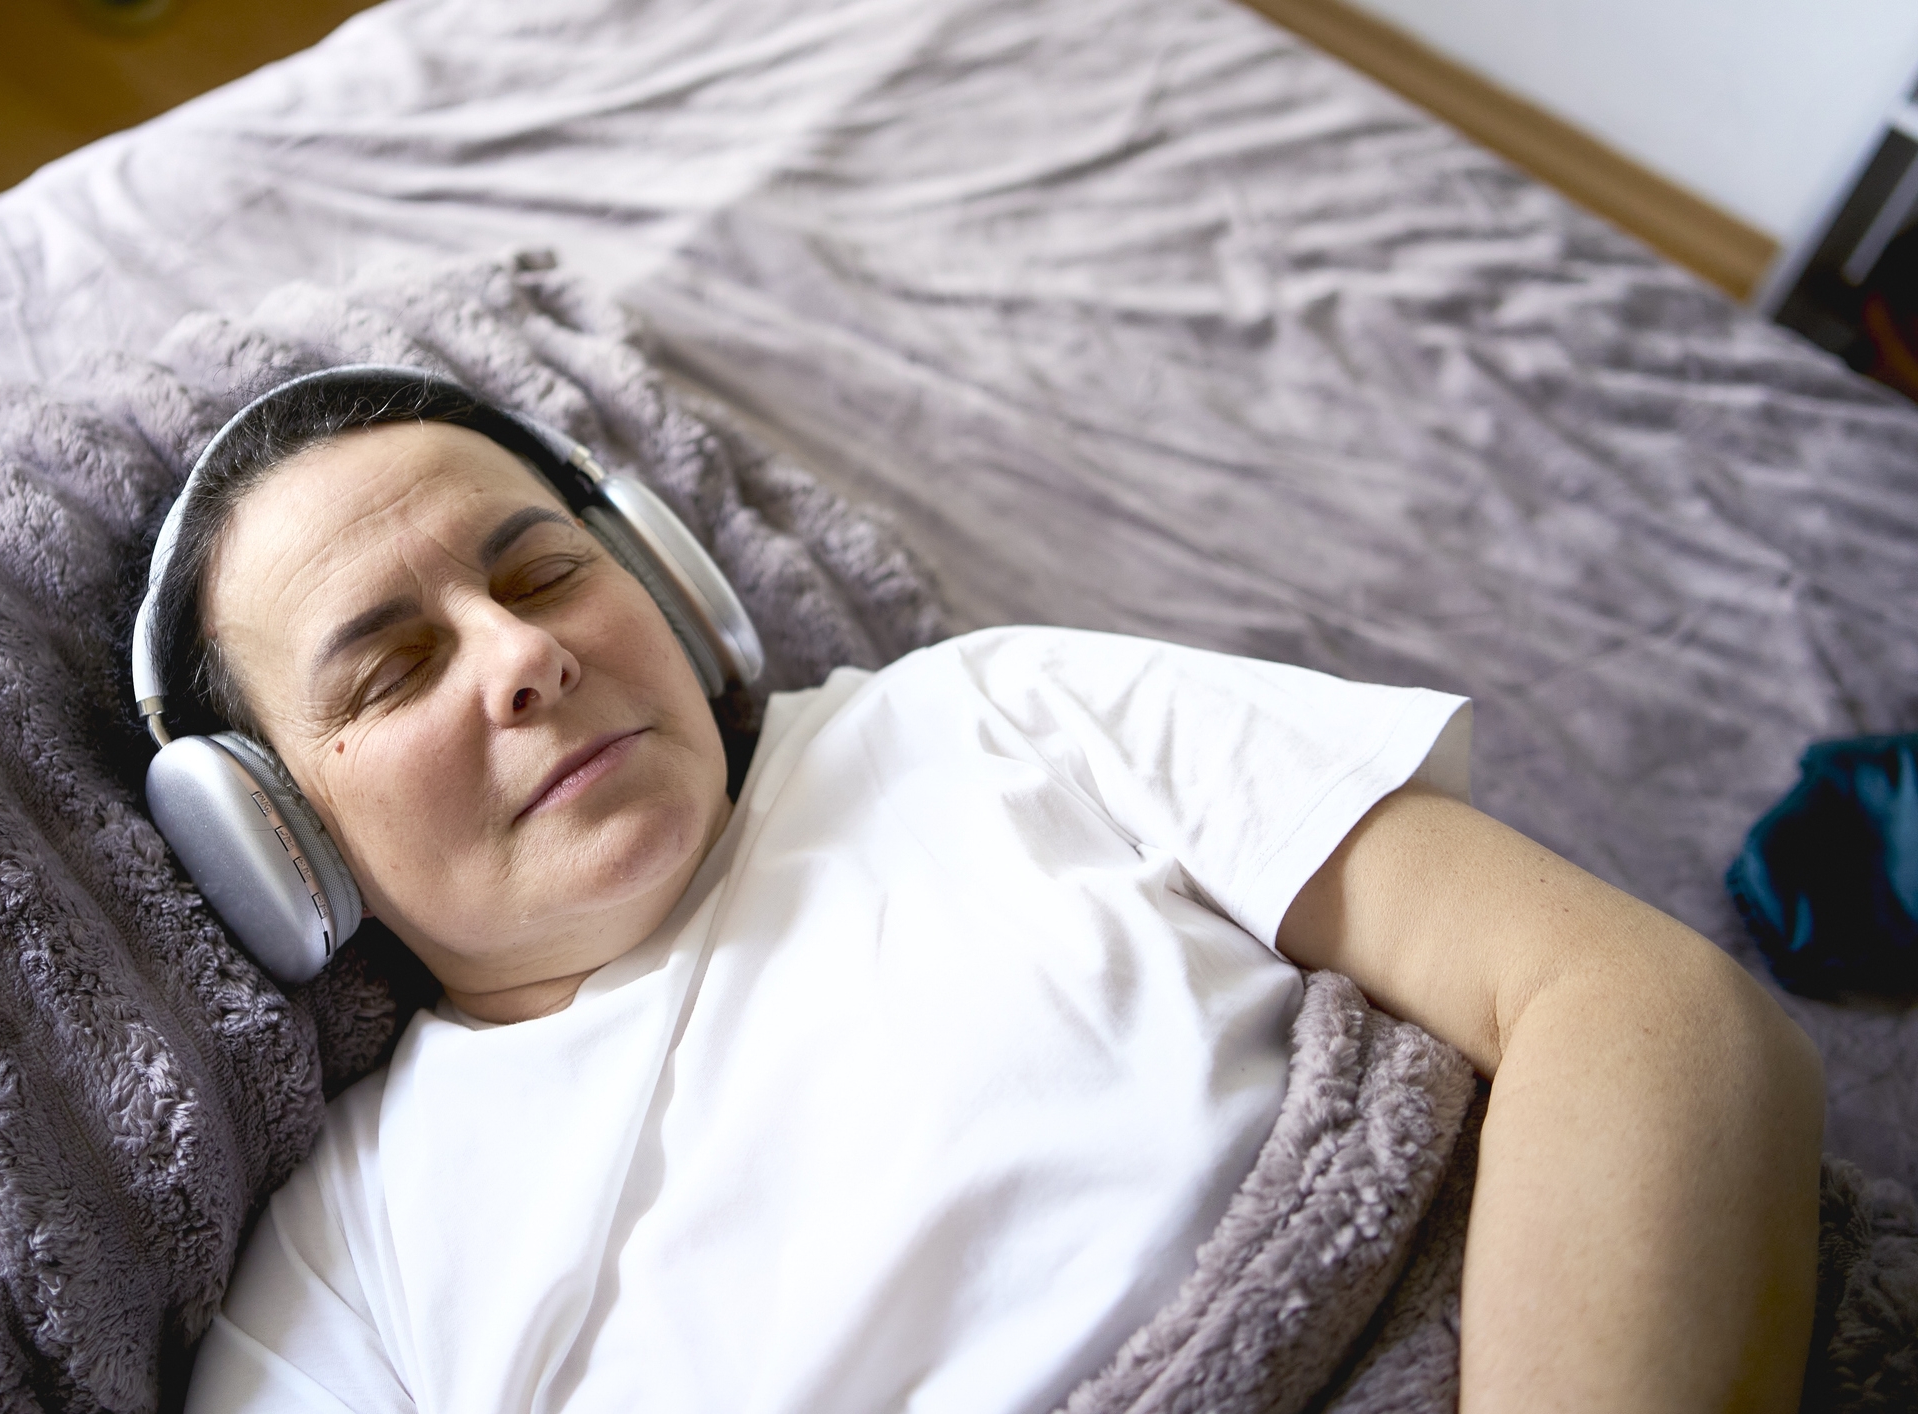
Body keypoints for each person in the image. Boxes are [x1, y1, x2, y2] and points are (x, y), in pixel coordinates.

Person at [171, 378, 1824, 1414]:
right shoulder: (354, 1263)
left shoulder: (993, 716)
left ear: (669, 582)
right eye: (393, 669)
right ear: (275, 835)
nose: (524, 652)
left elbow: (1628, 1007)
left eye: (543, 571)